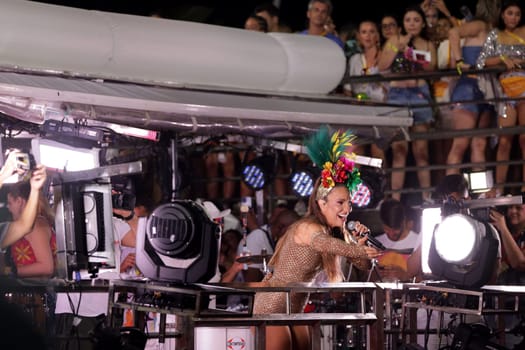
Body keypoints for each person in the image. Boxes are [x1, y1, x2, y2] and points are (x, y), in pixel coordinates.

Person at [252, 126, 381, 350]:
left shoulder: (337, 232)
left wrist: (360, 244)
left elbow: (362, 263)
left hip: (296, 306)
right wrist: (357, 249)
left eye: (349, 203)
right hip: (272, 304)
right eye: (340, 203)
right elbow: (328, 245)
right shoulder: (307, 227)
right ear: (322, 203)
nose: (347, 209)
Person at [378, 5, 437, 203]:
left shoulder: (427, 43)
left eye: (416, 20)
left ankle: (427, 198)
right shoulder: (395, 40)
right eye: (408, 20)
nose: (412, 24)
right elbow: (382, 65)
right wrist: (399, 47)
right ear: (403, 23)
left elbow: (433, 69)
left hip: (419, 95)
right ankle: (394, 200)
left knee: (422, 152)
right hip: (397, 96)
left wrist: (415, 55)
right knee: (399, 151)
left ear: (422, 23)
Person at [445, 0, 500, 176]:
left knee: (479, 144)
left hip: (486, 89)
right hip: (468, 86)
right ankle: (449, 195)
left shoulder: (493, 30)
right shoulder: (479, 24)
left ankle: (481, 194)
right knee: (460, 144)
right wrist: (460, 61)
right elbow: (453, 32)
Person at [476, 0, 525, 196]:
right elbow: (481, 62)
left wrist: (520, 62)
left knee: (524, 139)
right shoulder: (495, 35)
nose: (513, 17)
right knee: (504, 141)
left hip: (524, 87)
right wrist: (504, 60)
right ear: (503, 15)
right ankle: (499, 187)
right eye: (510, 13)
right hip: (505, 91)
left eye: (517, 14)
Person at [489, 202, 525, 348]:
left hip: (521, 315)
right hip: (498, 310)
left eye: (518, 207)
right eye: (509, 207)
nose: (513, 211)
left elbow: (520, 263)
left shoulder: (504, 231)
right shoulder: (501, 234)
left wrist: (503, 228)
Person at [6, 180, 56, 279]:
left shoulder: (35, 225)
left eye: (10, 203)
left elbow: (46, 267)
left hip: (38, 291)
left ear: (20, 201)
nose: (8, 208)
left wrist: (11, 271)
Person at [375, 198, 422, 282]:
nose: (391, 233)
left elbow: (425, 280)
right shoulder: (375, 243)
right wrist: (375, 273)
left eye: (396, 229)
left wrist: (405, 275)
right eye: (387, 229)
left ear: (403, 222)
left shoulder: (417, 242)